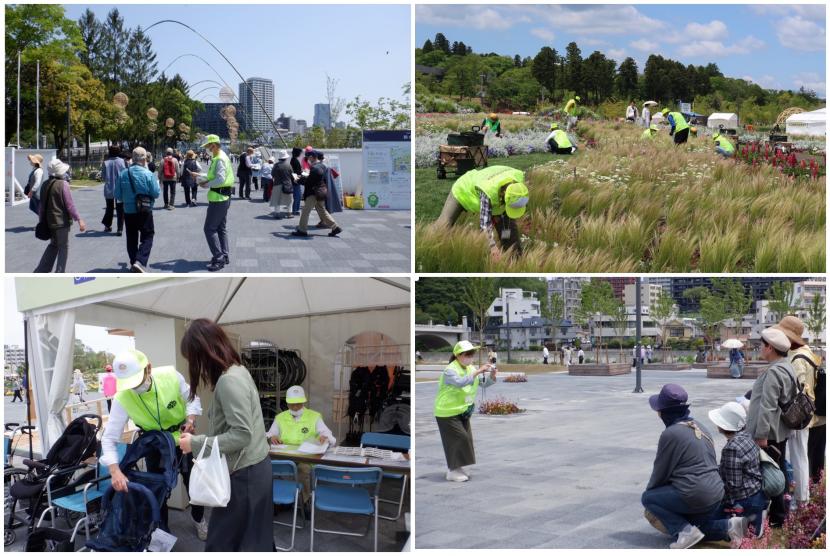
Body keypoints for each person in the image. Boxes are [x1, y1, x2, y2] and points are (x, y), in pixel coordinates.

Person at [178, 319, 272, 552]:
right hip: (252, 469)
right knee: (254, 538)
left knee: (226, 541)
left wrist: (195, 443)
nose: (195, 367)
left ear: (204, 352)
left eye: (193, 358)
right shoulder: (237, 371)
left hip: (245, 475)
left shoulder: (229, 380)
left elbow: (241, 435)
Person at [102, 349, 207, 539]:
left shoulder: (171, 376)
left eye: (137, 381)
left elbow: (192, 398)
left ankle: (199, 519)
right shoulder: (122, 397)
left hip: (182, 440)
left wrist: (190, 421)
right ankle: (161, 532)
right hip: (155, 445)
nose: (135, 388)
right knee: (157, 490)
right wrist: (114, 471)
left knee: (193, 484)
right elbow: (109, 438)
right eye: (129, 385)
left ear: (148, 369)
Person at [641, 384, 724, 549]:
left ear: (665, 412)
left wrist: (653, 493)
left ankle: (684, 532)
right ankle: (729, 526)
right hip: (717, 492)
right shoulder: (700, 425)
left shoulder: (670, 434)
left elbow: (660, 472)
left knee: (648, 499)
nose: (658, 414)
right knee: (697, 525)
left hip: (695, 493)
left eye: (659, 410)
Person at [745, 327, 797, 528]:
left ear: (770, 348)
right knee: (780, 469)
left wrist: (761, 435)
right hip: (779, 430)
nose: (760, 349)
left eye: (761, 345)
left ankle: (777, 515)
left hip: (770, 432)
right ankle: (780, 511)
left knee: (771, 473)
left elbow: (768, 406)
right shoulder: (787, 366)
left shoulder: (775, 372)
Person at [775, 316, 822, 508]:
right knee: (801, 455)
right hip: (807, 415)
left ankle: (801, 499)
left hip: (799, 416)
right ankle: (802, 496)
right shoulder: (807, 352)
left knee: (799, 456)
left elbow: (799, 389)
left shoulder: (797, 359)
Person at [434, 341, 497, 482]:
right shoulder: (450, 370)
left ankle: (458, 467)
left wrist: (492, 376)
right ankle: (452, 470)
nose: (470, 357)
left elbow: (482, 384)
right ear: (458, 355)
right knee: (459, 438)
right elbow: (461, 382)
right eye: (467, 354)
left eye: (472, 354)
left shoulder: (470, 368)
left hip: (462, 411)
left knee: (466, 438)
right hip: (446, 412)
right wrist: (478, 371)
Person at [702, 401, 765, 542]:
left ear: (724, 425)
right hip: (756, 493)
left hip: (743, 500)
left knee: (703, 526)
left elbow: (733, 486)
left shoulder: (732, 448)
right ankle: (755, 520)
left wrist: (714, 495)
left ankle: (736, 526)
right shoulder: (746, 435)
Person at [267, 385, 336, 507]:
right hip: (284, 456)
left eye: (298, 404)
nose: (295, 407)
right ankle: (279, 498)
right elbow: (270, 434)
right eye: (292, 404)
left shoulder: (314, 416)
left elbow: (328, 435)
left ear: (304, 401)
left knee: (303, 469)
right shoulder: (280, 417)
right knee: (273, 467)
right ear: (287, 403)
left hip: (306, 458)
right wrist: (272, 437)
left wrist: (324, 437)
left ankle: (305, 501)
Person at [435, 166, 529, 256]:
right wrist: (493, 248)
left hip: (495, 192)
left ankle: (514, 258)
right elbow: (485, 224)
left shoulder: (518, 182)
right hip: (463, 190)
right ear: (503, 195)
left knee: (508, 232)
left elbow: (506, 224)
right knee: (443, 226)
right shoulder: (488, 191)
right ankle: (430, 248)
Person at [34, 158, 87, 273]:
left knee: (53, 245)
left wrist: (41, 220)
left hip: (48, 221)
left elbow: (41, 207)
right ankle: (60, 272)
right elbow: (70, 206)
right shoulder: (63, 184)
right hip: (61, 222)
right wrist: (79, 219)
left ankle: (41, 270)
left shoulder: (44, 184)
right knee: (63, 247)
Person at [115, 147, 160, 273]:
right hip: (145, 209)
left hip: (128, 211)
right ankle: (140, 261)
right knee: (148, 235)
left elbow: (117, 195)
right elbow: (156, 193)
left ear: (132, 159)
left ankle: (134, 262)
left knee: (131, 237)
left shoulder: (123, 173)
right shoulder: (148, 174)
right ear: (145, 159)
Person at [196, 134, 234, 272]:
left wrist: (205, 184)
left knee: (209, 229)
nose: (207, 148)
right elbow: (215, 176)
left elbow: (219, 179)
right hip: (223, 197)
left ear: (213, 145)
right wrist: (200, 176)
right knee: (220, 228)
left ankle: (219, 258)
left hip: (218, 198)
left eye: (207, 146)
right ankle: (224, 254)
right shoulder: (220, 156)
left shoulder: (219, 159)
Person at [291, 150, 342, 237]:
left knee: (305, 211)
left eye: (308, 157)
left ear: (312, 157)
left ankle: (302, 230)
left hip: (313, 193)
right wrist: (305, 177)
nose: (308, 159)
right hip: (321, 191)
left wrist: (298, 180)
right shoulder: (322, 166)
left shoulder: (315, 168)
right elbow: (315, 178)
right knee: (322, 211)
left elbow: (310, 182)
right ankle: (335, 227)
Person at [101, 146, 126, 234]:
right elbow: (124, 174)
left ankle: (107, 226)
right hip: (120, 189)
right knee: (120, 209)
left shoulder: (105, 162)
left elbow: (103, 177)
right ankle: (120, 228)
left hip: (109, 189)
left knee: (109, 208)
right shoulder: (122, 161)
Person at [270, 150, 294, 219]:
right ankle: (289, 213)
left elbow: (272, 174)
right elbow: (292, 174)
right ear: (286, 158)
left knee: (277, 200)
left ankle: (277, 213)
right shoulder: (288, 165)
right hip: (287, 184)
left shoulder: (276, 165)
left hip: (277, 184)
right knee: (289, 200)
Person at [290, 147, 303, 215]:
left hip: (296, 180)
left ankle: (296, 209)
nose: (300, 154)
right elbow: (294, 172)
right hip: (296, 180)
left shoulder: (293, 160)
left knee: (298, 196)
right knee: (297, 196)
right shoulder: (294, 160)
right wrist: (296, 179)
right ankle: (295, 210)